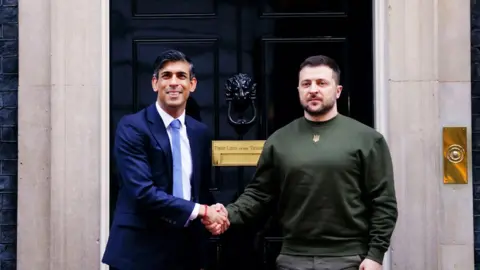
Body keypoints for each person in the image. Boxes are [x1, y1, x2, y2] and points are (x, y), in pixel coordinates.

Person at [203, 55, 398, 270]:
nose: (313, 89)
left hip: (349, 258)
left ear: (338, 90)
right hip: (292, 258)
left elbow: (383, 202)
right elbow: (259, 194)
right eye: (306, 84)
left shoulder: (368, 139)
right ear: (299, 90)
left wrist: (376, 255)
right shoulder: (279, 140)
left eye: (322, 83)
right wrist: (228, 214)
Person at [102, 49, 228, 270]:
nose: (173, 82)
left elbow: (198, 189)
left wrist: (214, 210)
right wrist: (203, 211)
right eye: (166, 75)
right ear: (154, 83)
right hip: (139, 254)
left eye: (181, 76)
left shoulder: (200, 132)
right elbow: (142, 192)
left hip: (186, 253)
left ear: (193, 84)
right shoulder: (132, 126)